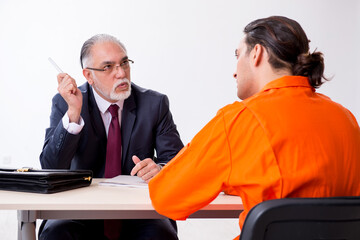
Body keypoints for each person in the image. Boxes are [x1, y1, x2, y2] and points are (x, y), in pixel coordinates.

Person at [148, 16, 360, 240]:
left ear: (257, 53)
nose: (234, 71)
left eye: (238, 55)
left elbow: (166, 198)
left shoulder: (240, 119)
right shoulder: (345, 118)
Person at [39, 34, 183, 240]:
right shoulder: (66, 103)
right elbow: (51, 168)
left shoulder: (154, 104)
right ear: (88, 75)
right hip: (78, 211)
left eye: (124, 63)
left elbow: (178, 164)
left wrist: (160, 169)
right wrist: (73, 113)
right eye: (108, 67)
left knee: (160, 234)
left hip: (139, 214)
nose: (121, 73)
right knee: (57, 234)